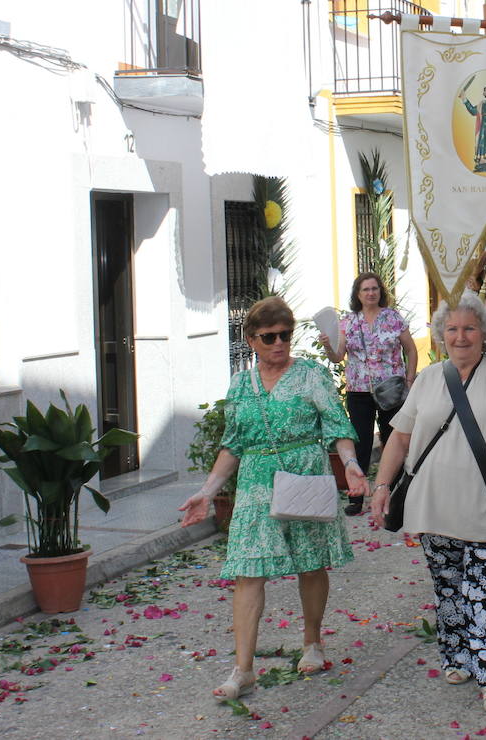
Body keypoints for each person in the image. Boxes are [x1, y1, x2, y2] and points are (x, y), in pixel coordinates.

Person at [369, 293, 486, 714]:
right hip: (436, 507)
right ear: (440, 335)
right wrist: (381, 487)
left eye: (470, 328)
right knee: (449, 587)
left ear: (485, 332)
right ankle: (458, 655)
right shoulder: (431, 378)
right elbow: (400, 437)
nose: (460, 336)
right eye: (452, 329)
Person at [181, 296, 368, 697]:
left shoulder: (312, 375)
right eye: (269, 337)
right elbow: (232, 445)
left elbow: (337, 426)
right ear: (251, 340)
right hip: (254, 485)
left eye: (285, 335)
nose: (279, 343)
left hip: (305, 476)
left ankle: (312, 642)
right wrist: (206, 491)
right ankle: (243, 669)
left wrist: (350, 464)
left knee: (311, 562)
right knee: (247, 571)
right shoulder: (240, 385)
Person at [319, 272, 417, 515]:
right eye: (366, 289)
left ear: (380, 292)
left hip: (390, 389)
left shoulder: (393, 317)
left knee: (392, 438)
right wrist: (328, 345)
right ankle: (358, 495)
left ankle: (393, 492)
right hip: (359, 390)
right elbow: (338, 356)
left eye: (374, 288)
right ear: (358, 294)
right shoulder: (349, 322)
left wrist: (410, 379)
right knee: (360, 441)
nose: (371, 293)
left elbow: (411, 350)